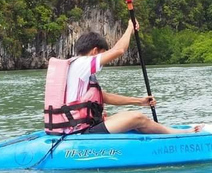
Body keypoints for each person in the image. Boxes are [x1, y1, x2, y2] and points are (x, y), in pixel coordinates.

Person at [65, 22, 202, 134]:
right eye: (102, 54)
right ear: (95, 51)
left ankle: (167, 131)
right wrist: (130, 27)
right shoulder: (82, 63)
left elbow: (103, 96)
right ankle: (179, 134)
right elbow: (119, 50)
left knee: (136, 117)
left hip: (81, 126)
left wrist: (139, 101)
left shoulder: (77, 69)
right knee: (137, 118)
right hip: (80, 131)